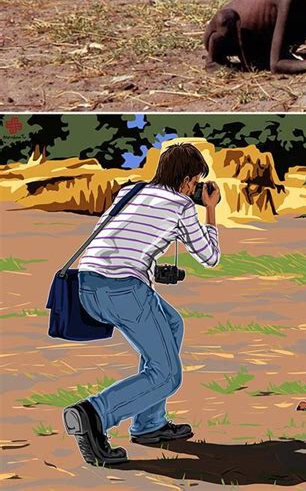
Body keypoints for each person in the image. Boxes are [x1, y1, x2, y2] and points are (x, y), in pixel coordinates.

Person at [63, 143, 221, 466]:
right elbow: (210, 257)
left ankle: (150, 423)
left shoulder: (131, 191)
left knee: (172, 322)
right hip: (124, 291)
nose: (194, 188)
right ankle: (93, 414)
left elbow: (113, 239)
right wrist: (210, 209)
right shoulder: (182, 206)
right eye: (195, 182)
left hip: (87, 285)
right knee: (168, 375)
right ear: (188, 181)